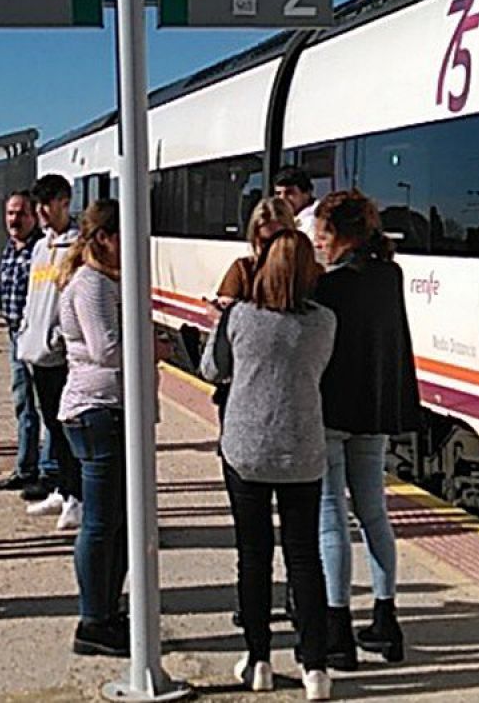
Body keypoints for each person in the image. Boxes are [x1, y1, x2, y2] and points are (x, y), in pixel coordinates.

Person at [201, 229, 337, 700]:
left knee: (253, 555)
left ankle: (258, 659)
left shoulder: (239, 316)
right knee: (304, 557)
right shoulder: (324, 322)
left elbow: (210, 370)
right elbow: (321, 371)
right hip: (302, 449)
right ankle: (315, 668)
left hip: (245, 449)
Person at [312, 189, 421, 668]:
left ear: (336, 234)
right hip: (374, 410)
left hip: (331, 412)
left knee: (332, 515)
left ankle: (337, 631)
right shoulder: (390, 275)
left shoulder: (327, 286)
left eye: (320, 233)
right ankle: (385, 620)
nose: (315, 242)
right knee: (374, 512)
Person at [55, 199, 130, 656]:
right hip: (96, 408)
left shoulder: (99, 281)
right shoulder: (92, 284)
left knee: (117, 520)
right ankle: (93, 620)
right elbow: (106, 349)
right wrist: (152, 346)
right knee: (101, 523)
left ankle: (106, 608)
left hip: (102, 408)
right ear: (103, 237)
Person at [16, 174, 83, 530]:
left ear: (64, 202)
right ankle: (62, 487)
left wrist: (59, 337)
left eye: (47, 204)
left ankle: (77, 495)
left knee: (66, 426)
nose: (41, 212)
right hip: (36, 350)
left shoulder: (76, 246)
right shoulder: (41, 247)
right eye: (37, 204)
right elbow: (34, 296)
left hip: (59, 353)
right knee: (52, 427)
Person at [0, 191, 45, 492]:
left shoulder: (41, 250)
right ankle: (26, 468)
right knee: (23, 403)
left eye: (20, 214)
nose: (14, 220)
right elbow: (2, 291)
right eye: (10, 214)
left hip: (38, 336)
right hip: (15, 334)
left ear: (33, 217)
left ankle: (48, 472)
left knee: (46, 406)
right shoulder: (10, 250)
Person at [273, 166, 319, 240]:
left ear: (307, 193)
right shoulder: (276, 219)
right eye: (278, 193)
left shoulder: (318, 220)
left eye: (289, 192)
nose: (282, 198)